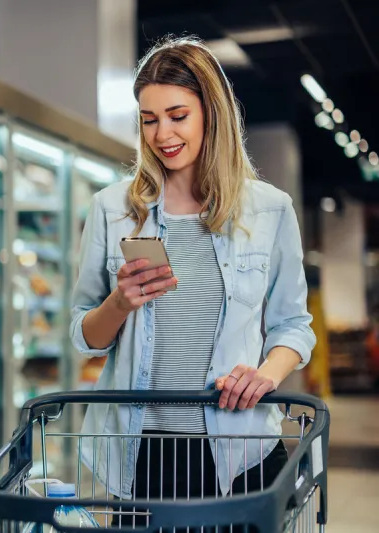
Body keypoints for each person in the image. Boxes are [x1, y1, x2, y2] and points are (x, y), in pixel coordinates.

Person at [70, 36, 316, 528]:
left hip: (240, 450)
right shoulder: (112, 210)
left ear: (211, 112)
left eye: (177, 115)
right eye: (149, 118)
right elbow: (84, 336)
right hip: (143, 456)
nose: (162, 134)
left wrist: (267, 374)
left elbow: (294, 326)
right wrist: (120, 302)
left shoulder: (269, 210)